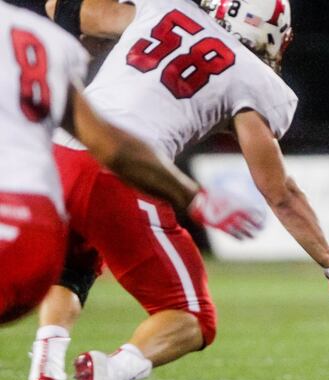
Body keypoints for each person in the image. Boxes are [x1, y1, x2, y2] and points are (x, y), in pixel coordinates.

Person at [28, 0, 329, 380]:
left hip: (60, 152)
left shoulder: (162, 7)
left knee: (73, 268)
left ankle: (45, 367)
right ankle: (114, 371)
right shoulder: (253, 78)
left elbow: (64, 8)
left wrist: (89, 45)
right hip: (124, 170)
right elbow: (280, 192)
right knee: (191, 316)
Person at [0, 0, 259, 325]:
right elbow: (110, 146)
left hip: (23, 199)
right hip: (33, 228)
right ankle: (50, 350)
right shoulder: (44, 40)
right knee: (186, 312)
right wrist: (193, 197)